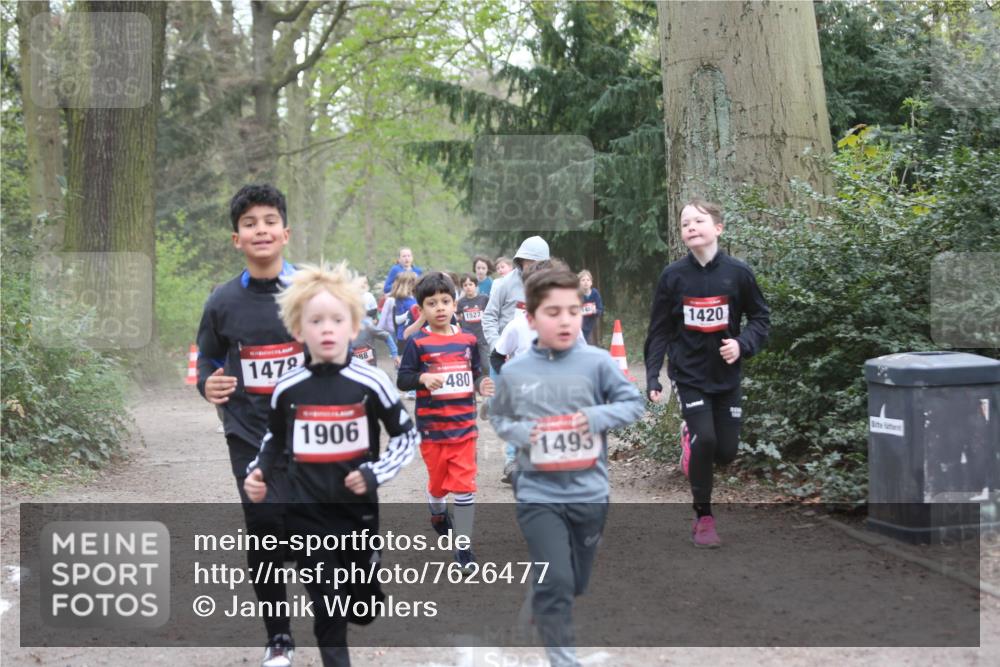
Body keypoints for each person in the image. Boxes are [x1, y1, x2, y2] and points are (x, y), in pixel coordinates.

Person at [244, 262, 419, 667]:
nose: (326, 329)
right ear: (298, 329)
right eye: (315, 320)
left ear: (353, 325)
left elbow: (407, 436)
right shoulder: (287, 387)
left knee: (362, 606)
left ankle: (367, 584)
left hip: (357, 516)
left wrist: (375, 473)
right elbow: (274, 439)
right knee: (327, 610)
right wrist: (258, 471)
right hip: (307, 517)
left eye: (336, 320)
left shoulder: (371, 383)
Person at [489, 266, 644, 667]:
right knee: (557, 578)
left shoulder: (597, 363)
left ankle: (541, 596)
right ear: (531, 318)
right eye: (553, 312)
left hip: (590, 493)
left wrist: (593, 419)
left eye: (573, 311)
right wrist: (526, 435)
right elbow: (499, 418)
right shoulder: (515, 371)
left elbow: (633, 404)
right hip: (537, 492)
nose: (565, 320)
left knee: (573, 582)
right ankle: (563, 659)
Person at [195, 184, 300, 667]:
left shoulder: (311, 293)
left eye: (269, 221)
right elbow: (207, 359)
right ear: (236, 238)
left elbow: (345, 352)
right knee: (263, 526)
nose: (261, 229)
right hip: (248, 432)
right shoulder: (221, 301)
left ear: (285, 232)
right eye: (249, 223)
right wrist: (207, 385)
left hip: (312, 432)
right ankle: (278, 637)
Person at [643, 198, 770, 548]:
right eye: (685, 223)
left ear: (718, 228)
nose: (691, 227)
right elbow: (659, 330)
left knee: (726, 452)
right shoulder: (673, 277)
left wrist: (742, 344)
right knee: (708, 440)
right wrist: (653, 375)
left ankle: (692, 442)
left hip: (726, 375)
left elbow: (760, 318)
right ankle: (704, 518)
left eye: (699, 220)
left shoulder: (738, 273)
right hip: (689, 374)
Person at [396, 272, 495, 572]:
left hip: (464, 428)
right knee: (439, 485)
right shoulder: (418, 342)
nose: (439, 307)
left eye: (445, 301)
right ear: (421, 309)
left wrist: (481, 385)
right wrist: (423, 378)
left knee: (464, 486)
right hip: (432, 430)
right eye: (431, 303)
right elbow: (403, 379)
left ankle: (463, 548)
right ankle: (437, 512)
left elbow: (476, 371)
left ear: (455, 304)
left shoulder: (467, 339)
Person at [482, 237, 550, 483]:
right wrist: (497, 344)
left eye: (537, 262)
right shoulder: (502, 285)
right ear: (520, 260)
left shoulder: (549, 287)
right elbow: (488, 318)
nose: (531, 266)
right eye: (527, 261)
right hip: (502, 355)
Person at [456, 273, 490, 372]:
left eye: (470, 284)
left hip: (483, 337)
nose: (468, 287)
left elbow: (491, 314)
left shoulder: (484, 299)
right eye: (465, 285)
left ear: (476, 285)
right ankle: (474, 385)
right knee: (470, 365)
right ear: (462, 287)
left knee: (486, 365)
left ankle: (488, 384)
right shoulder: (461, 302)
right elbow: (458, 318)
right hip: (468, 338)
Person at [389, 270, 419, 353]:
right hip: (404, 336)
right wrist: (409, 313)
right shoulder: (401, 300)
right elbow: (397, 320)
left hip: (417, 333)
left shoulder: (416, 297)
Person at [578, 270, 603, 345]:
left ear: (591, 282)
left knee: (591, 346)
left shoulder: (595, 293)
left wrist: (595, 311)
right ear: (579, 283)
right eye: (583, 280)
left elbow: (600, 309)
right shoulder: (577, 294)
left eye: (588, 280)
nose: (586, 282)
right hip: (579, 327)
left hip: (592, 326)